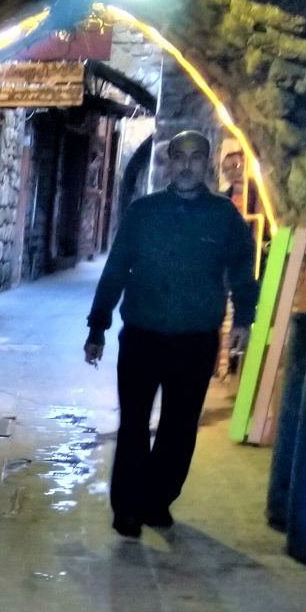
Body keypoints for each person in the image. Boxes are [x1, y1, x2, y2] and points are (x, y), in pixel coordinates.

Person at [85, 129, 257, 537]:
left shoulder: (224, 217)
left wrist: (244, 319)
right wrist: (98, 325)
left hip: (195, 341)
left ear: (207, 164)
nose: (186, 165)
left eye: (195, 157)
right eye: (179, 156)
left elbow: (241, 270)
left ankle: (157, 499)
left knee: (179, 428)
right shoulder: (143, 213)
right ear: (168, 163)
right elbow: (116, 269)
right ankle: (128, 508)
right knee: (133, 424)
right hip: (142, 336)